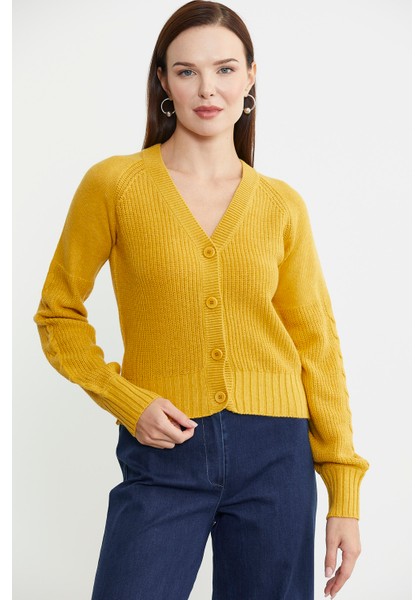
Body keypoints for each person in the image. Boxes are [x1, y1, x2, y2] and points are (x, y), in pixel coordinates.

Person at [33, 1, 370, 599]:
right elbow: (58, 313)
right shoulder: (114, 185)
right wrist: (126, 399)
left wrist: (343, 490)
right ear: (164, 81)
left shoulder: (280, 205)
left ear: (250, 77)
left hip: (276, 456)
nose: (207, 88)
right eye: (186, 71)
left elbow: (316, 343)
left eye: (224, 69)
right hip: (164, 449)